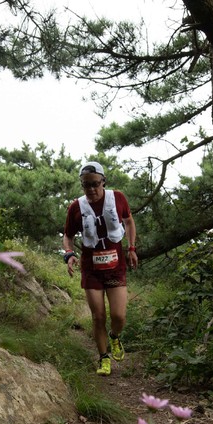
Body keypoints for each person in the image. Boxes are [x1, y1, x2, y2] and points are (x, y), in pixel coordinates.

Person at [63, 161, 139, 376]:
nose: (91, 189)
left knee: (119, 316)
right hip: (91, 268)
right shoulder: (76, 207)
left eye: (95, 184)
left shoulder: (118, 198)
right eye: (86, 185)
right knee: (98, 317)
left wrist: (132, 248)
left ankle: (115, 337)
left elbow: (129, 222)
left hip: (115, 266)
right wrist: (68, 254)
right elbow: (67, 236)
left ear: (103, 181)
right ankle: (103, 358)